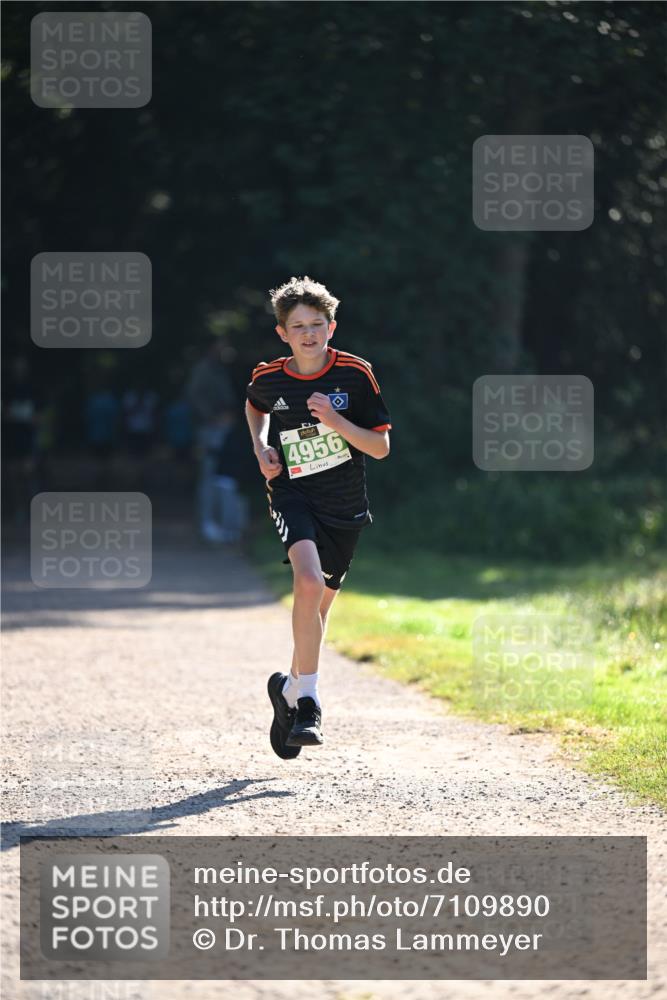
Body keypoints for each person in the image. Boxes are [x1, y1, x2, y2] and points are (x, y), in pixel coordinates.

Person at [244, 276, 391, 757]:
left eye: (317, 324)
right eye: (298, 326)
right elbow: (254, 406)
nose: (309, 333)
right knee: (306, 584)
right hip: (292, 493)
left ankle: (288, 689)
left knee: (317, 611)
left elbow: (380, 447)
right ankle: (308, 702)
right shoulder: (270, 377)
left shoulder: (355, 374)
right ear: (282, 333)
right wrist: (261, 445)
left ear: (332, 326)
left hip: (344, 505)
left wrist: (337, 422)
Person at [186, 339, 238, 543]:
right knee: (209, 474)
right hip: (210, 429)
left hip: (222, 427)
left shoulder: (219, 370)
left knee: (222, 477)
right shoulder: (204, 369)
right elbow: (194, 397)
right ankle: (207, 523)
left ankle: (219, 522)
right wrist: (212, 418)